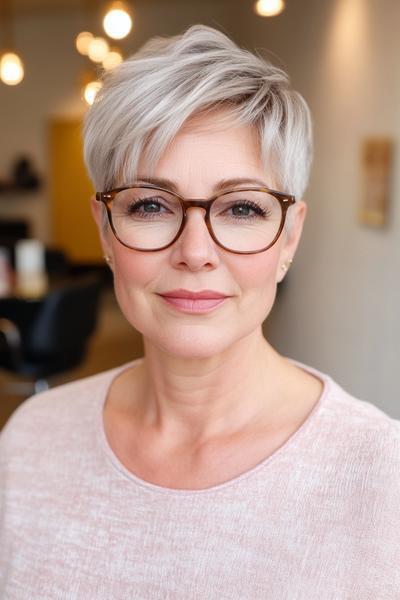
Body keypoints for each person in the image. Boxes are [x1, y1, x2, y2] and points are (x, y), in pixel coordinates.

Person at [1, 25, 399, 599]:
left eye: (241, 208)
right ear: (106, 232)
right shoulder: (29, 444)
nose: (194, 252)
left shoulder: (382, 476)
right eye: (150, 205)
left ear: (288, 239)